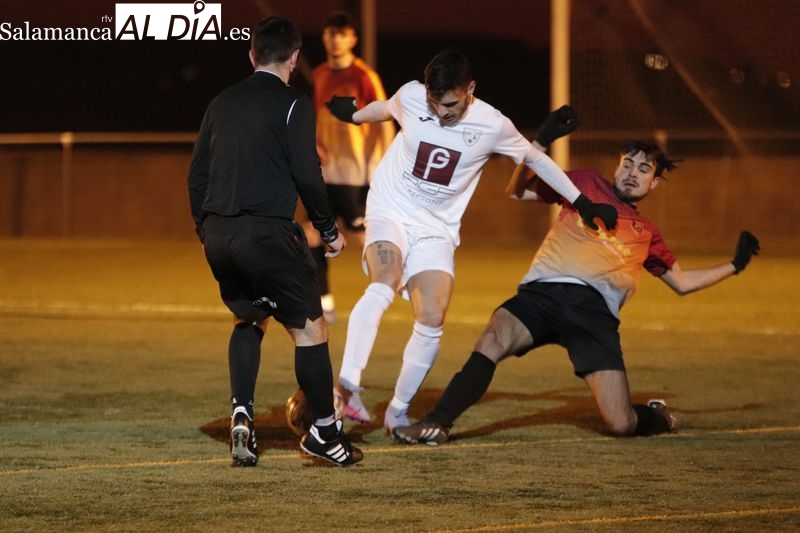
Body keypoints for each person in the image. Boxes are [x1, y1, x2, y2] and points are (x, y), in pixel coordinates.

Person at [392, 125, 761, 445]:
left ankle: (659, 418)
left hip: (593, 315)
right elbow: (517, 190)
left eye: (644, 168)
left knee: (620, 423)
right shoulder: (584, 184)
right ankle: (436, 425)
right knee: (493, 337)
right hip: (542, 295)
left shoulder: (647, 232)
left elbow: (680, 282)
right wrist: (540, 145)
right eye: (627, 163)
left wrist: (735, 265)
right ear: (617, 165)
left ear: (656, 182)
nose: (633, 172)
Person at [325, 51, 618, 434]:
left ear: (470, 90)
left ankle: (398, 410)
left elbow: (536, 161)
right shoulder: (413, 95)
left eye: (449, 103)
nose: (441, 111)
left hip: (437, 229)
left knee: (431, 318)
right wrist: (353, 115)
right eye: (434, 102)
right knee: (384, 281)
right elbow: (386, 108)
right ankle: (346, 389)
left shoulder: (492, 123)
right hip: (390, 210)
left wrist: (582, 202)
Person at [187, 16, 362, 467]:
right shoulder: (294, 104)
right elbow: (308, 172)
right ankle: (324, 433)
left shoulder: (221, 102)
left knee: (249, 318)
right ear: (296, 57)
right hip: (267, 234)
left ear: (251, 56)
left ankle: (241, 413)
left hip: (220, 235)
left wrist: (204, 229)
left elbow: (197, 176)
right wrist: (327, 230)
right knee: (310, 330)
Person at [302, 12, 395, 324]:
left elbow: (384, 123)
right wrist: (313, 144)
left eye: (342, 33)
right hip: (326, 175)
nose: (335, 39)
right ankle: (324, 303)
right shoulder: (318, 74)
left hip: (357, 176)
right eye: (331, 33)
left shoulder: (365, 76)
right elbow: (316, 117)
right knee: (312, 235)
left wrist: (378, 173)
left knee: (365, 236)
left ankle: (387, 293)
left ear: (353, 39)